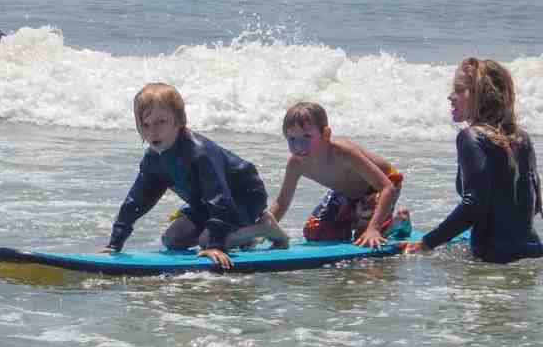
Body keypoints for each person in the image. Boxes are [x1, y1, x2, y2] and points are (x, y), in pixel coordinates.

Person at [103, 83, 290, 270]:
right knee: (172, 240)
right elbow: (136, 202)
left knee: (206, 241)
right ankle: (241, 235)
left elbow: (220, 197)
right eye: (145, 124)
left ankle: (264, 228)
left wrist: (215, 246)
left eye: (161, 122)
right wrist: (114, 244)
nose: (152, 131)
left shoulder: (199, 152)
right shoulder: (154, 160)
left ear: (179, 120)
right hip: (205, 204)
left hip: (244, 197)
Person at [400, 58, 543, 263]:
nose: (451, 97)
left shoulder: (471, 137)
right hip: (534, 252)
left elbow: (474, 204)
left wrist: (426, 243)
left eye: (459, 90)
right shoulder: (522, 138)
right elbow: (535, 203)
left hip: (493, 258)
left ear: (480, 95)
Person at [269, 102, 409, 249]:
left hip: (381, 186)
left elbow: (387, 187)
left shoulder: (342, 152)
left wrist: (374, 229)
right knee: (314, 233)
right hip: (346, 193)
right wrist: (263, 229)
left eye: (307, 136)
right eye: (292, 139)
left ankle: (398, 222)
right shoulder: (296, 164)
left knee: (365, 237)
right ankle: (357, 217)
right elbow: (281, 203)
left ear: (326, 134)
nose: (299, 146)